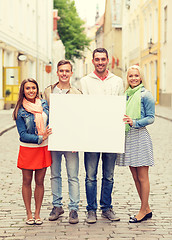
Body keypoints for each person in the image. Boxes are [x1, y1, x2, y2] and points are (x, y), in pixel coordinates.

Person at [80, 48, 124, 223]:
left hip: (111, 135)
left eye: (103, 59)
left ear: (108, 61)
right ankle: (91, 210)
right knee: (90, 175)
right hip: (91, 136)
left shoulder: (117, 81)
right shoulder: (85, 82)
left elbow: (122, 106)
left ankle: (106, 207)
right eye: (97, 59)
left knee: (109, 175)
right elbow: (82, 109)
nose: (100, 62)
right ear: (93, 61)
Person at [43, 60, 81, 224]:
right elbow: (42, 113)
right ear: (57, 73)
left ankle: (74, 208)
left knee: (73, 176)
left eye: (67, 71)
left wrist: (77, 140)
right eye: (61, 71)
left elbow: (81, 119)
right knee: (55, 175)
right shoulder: (48, 92)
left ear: (71, 73)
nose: (64, 73)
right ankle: (57, 206)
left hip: (71, 141)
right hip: (54, 140)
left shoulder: (77, 93)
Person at [116, 65, 155, 223]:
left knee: (143, 177)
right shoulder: (125, 95)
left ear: (141, 77)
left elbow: (151, 117)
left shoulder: (146, 95)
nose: (133, 78)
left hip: (140, 136)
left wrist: (135, 122)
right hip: (128, 137)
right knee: (135, 176)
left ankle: (142, 210)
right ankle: (147, 208)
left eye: (136, 76)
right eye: (130, 76)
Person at [13, 78, 52, 225]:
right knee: (27, 181)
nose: (31, 91)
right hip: (28, 149)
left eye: (33, 88)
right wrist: (40, 137)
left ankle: (37, 213)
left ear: (37, 89)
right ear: (23, 90)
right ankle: (29, 213)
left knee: (40, 182)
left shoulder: (43, 104)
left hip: (43, 149)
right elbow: (22, 134)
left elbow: (52, 122)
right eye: (28, 88)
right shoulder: (20, 109)